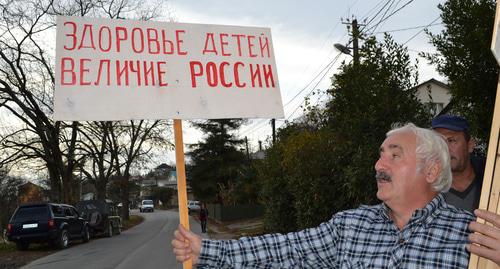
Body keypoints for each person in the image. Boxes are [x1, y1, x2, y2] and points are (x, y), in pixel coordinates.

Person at [172, 123, 474, 268]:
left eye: (395, 156)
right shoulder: (351, 226)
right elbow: (286, 250)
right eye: (381, 155)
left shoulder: (472, 238)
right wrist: (209, 252)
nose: (378, 165)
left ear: (432, 170)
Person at [432, 114, 500, 266]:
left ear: (470, 145)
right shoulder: (423, 191)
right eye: (438, 142)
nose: (444, 149)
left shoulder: (494, 180)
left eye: (451, 140)